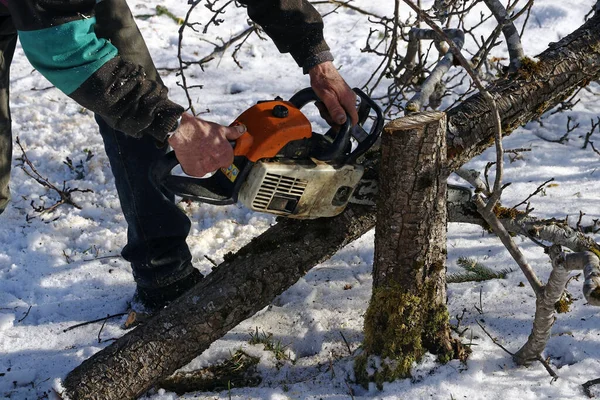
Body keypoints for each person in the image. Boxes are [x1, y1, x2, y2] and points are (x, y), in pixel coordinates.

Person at [1, 0, 359, 310]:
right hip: (51, 18)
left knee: (136, 87)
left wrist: (315, 56)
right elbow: (61, 46)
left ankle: (163, 271)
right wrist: (175, 126)